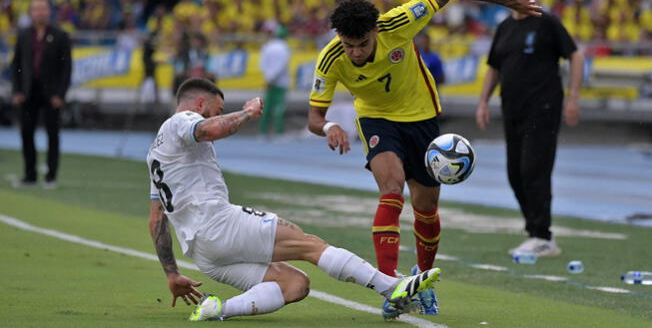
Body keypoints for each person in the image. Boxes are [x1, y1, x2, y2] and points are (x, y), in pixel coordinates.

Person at [307, 0, 541, 316]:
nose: (355, 53)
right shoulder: (330, 59)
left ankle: (422, 278)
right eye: (348, 45)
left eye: (361, 44)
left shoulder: (398, 23)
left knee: (426, 207)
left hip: (422, 119)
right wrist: (329, 127)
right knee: (391, 188)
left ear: (375, 30)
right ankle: (390, 286)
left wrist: (508, 1)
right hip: (376, 120)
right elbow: (315, 116)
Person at [146, 78, 441, 322]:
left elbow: (157, 219)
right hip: (217, 224)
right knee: (308, 244)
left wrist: (171, 273)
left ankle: (218, 309)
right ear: (200, 104)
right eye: (216, 109)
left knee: (295, 285)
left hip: (202, 254)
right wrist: (248, 112)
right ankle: (391, 287)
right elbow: (209, 129)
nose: (215, 115)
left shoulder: (155, 155)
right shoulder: (180, 122)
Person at [475, 0, 583, 257]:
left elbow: (576, 55)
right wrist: (483, 101)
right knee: (514, 174)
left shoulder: (546, 23)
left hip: (544, 107)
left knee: (533, 170)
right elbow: (494, 67)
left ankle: (542, 235)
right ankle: (534, 231)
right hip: (512, 108)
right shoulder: (504, 27)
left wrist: (573, 96)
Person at [11, 0, 72, 189]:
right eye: (36, 9)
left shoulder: (60, 35)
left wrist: (60, 95)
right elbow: (17, 65)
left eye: (43, 9)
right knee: (26, 132)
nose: (40, 13)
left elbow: (66, 68)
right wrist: (17, 90)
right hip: (28, 93)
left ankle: (51, 176)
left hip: (51, 94)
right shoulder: (23, 35)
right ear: (30, 12)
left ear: (49, 12)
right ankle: (29, 175)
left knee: (52, 134)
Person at [258, 22, 290, 137]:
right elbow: (281, 66)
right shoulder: (284, 48)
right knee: (279, 109)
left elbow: (262, 65)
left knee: (266, 108)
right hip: (280, 83)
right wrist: (272, 78)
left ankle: (263, 131)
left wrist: (268, 78)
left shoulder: (267, 47)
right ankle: (279, 132)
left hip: (269, 82)